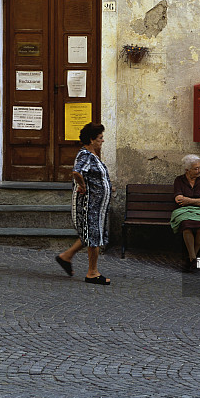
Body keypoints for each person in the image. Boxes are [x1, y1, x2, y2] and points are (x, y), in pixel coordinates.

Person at [55, 122, 112, 285]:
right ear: (91, 139)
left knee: (92, 233)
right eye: (100, 138)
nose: (103, 140)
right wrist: (82, 185)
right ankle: (92, 273)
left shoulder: (92, 154)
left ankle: (66, 257)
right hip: (89, 205)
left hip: (96, 205)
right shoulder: (85, 155)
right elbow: (76, 172)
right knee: (93, 235)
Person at [171, 155, 200, 270]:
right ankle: (193, 257)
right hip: (183, 211)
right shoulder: (179, 180)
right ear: (187, 170)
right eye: (196, 168)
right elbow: (179, 200)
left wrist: (188, 200)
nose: (199, 171)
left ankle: (191, 258)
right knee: (186, 225)